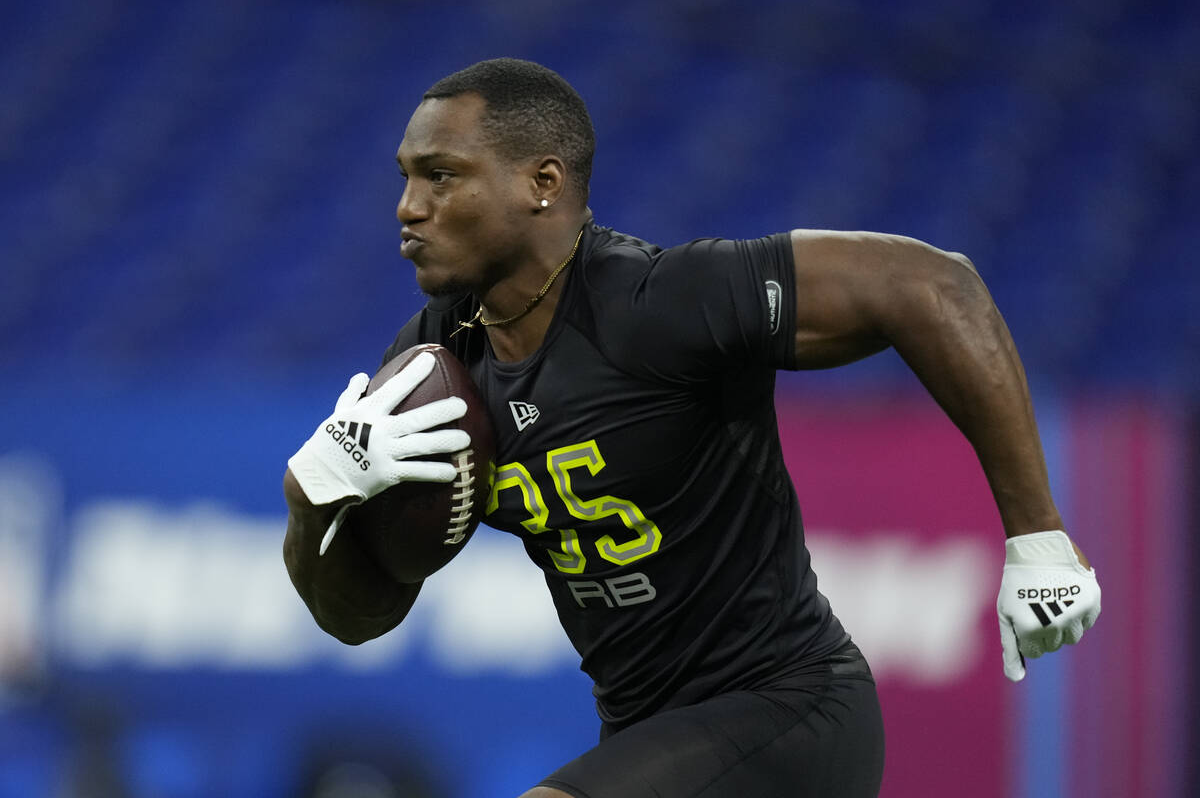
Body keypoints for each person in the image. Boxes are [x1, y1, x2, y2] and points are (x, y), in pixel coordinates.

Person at [282, 58, 1101, 798]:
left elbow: (933, 285)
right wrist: (313, 497)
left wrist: (1039, 535)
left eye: (441, 175)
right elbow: (360, 617)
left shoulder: (656, 305)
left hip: (785, 712)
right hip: (645, 732)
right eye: (406, 177)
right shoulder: (436, 356)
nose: (408, 207)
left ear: (542, 182)